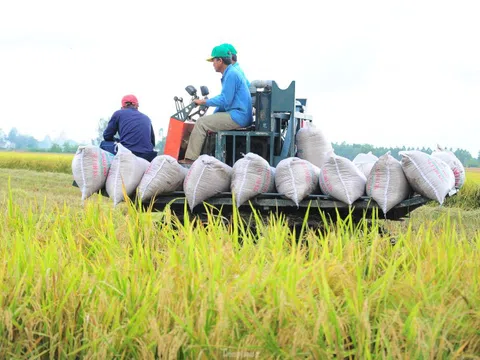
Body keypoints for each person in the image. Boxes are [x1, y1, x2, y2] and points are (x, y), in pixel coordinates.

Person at [179, 44, 253, 164]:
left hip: (238, 116)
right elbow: (225, 100)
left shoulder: (231, 74)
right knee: (207, 121)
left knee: (201, 122)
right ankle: (205, 156)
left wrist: (203, 101)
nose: (212, 64)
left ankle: (190, 160)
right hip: (239, 114)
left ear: (220, 60)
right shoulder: (231, 73)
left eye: (213, 60)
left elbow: (224, 100)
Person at [100, 94, 157, 162]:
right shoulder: (147, 118)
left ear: (123, 106)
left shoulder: (118, 114)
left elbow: (107, 136)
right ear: (137, 105)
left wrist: (117, 141)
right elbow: (152, 142)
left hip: (128, 152)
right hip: (147, 156)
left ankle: (110, 168)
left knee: (103, 144)